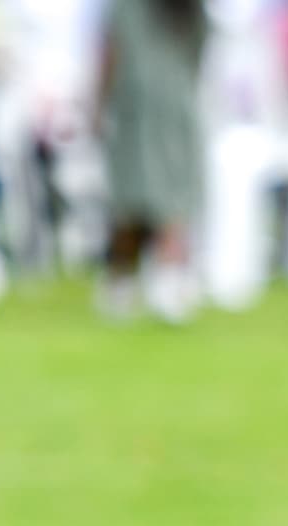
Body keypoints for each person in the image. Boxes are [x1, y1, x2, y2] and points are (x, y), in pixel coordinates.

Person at [95, 0, 206, 322]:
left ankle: (133, 283)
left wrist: (98, 103)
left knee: (138, 198)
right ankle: (159, 282)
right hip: (164, 104)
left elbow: (109, 54)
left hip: (141, 105)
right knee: (162, 197)